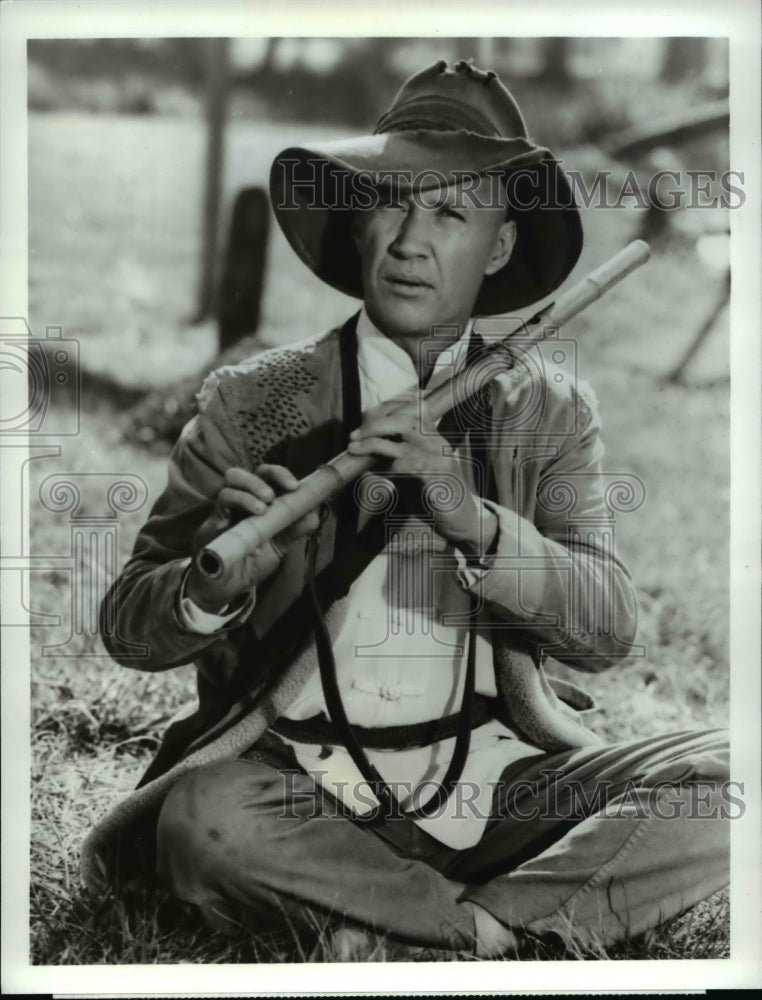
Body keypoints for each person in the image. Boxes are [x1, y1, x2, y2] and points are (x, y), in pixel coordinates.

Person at [84, 60, 729, 957]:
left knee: (735, 780)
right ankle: (501, 927)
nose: (410, 243)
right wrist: (212, 584)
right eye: (391, 204)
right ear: (358, 221)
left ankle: (431, 930)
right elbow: (129, 626)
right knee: (204, 817)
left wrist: (475, 521)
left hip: (497, 789)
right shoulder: (254, 401)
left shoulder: (548, 412)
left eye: (451, 214)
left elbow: (608, 630)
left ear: (499, 247)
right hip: (297, 787)